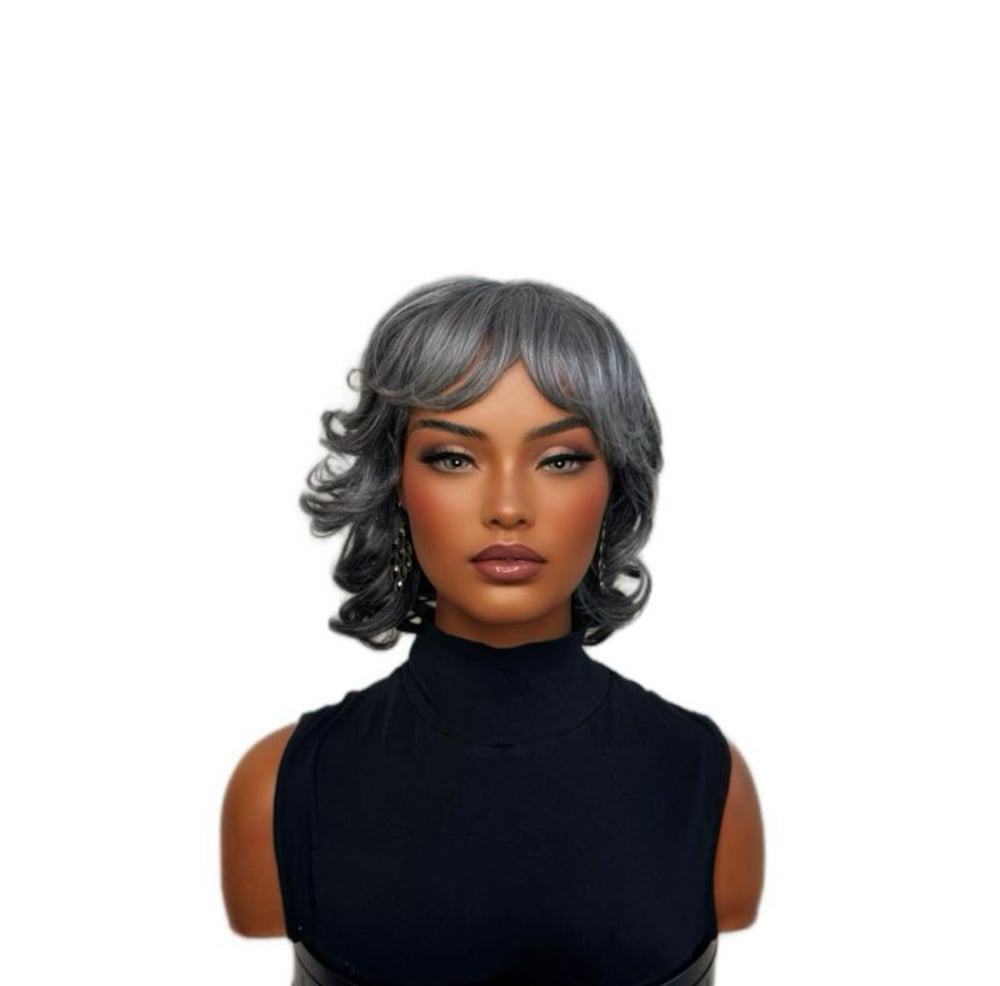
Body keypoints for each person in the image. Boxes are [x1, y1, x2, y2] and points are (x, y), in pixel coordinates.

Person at [220, 277, 765, 985]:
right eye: (453, 458)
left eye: (560, 459)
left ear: (614, 485)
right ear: (395, 483)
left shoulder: (707, 781)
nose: (508, 507)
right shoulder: (278, 788)